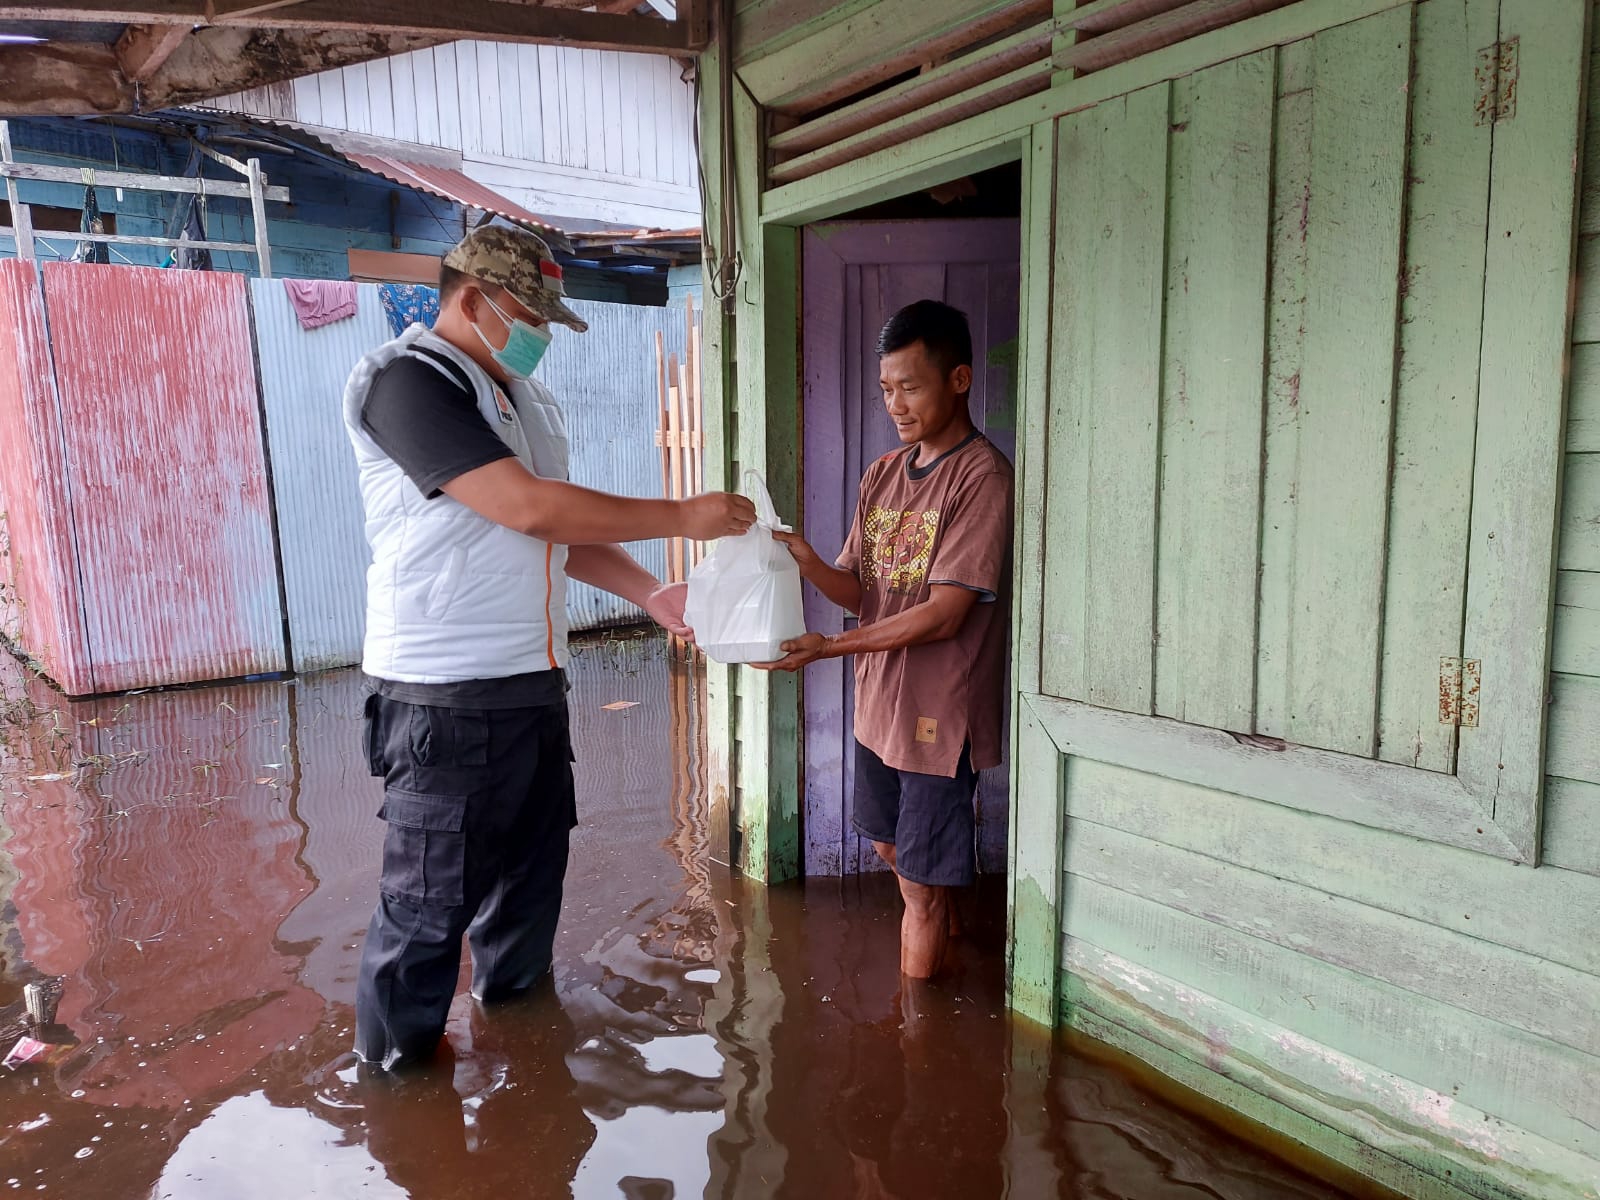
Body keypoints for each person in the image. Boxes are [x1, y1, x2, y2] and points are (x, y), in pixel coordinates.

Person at [342, 223, 756, 1070]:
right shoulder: (406, 385)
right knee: (426, 912)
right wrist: (682, 516)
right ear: (471, 301)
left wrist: (652, 592)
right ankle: (397, 1100)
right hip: (440, 695)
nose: (538, 336)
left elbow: (555, 534)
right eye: (528, 315)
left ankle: (520, 1055)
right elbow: (531, 508)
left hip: (533, 685)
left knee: (530, 891)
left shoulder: (520, 401)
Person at [758, 299, 1013, 980]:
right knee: (891, 849)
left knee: (916, 896)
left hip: (937, 713)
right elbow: (859, 589)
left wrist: (830, 649)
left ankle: (918, 1046)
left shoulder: (982, 477)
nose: (895, 404)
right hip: (880, 706)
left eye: (911, 386)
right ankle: (953, 923)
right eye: (885, 389)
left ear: (959, 379)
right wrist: (808, 562)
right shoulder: (883, 473)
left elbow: (946, 613)